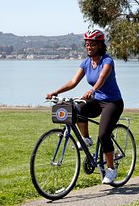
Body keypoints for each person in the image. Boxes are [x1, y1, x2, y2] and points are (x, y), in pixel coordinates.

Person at [46, 29, 124, 184]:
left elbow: (101, 78)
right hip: (96, 101)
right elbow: (73, 82)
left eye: (93, 44)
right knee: (77, 108)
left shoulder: (107, 61)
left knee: (103, 134)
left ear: (101, 46)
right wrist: (55, 91)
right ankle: (86, 139)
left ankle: (111, 169)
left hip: (112, 103)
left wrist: (92, 90)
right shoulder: (86, 63)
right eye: (87, 44)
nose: (89, 47)